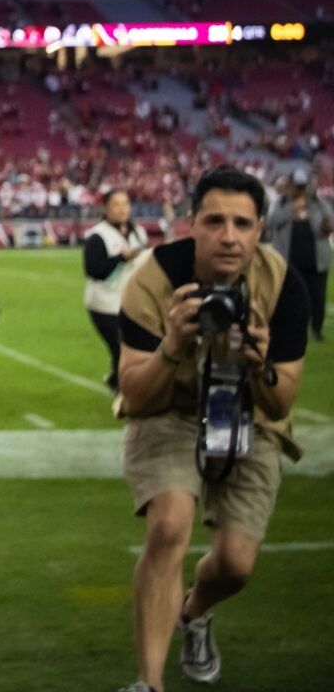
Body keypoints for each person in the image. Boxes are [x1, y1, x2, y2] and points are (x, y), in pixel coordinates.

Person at [115, 168, 311, 692]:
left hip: (249, 410)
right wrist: (172, 346)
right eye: (215, 221)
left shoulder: (283, 286)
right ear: (192, 224)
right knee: (171, 522)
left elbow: (283, 399)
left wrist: (260, 363)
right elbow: (134, 394)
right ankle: (148, 683)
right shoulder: (153, 281)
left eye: (242, 223)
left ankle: (195, 612)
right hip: (170, 409)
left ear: (259, 229)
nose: (229, 235)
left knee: (235, 566)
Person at [85, 188, 151, 391]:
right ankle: (124, 391)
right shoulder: (97, 236)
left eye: (126, 204)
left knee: (133, 348)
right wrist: (120, 258)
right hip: (105, 304)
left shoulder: (138, 232)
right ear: (106, 208)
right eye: (116, 204)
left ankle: (117, 380)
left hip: (131, 302)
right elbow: (94, 271)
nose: (122, 209)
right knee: (121, 348)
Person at [264, 167, 329, 343]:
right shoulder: (282, 203)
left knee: (318, 297)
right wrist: (292, 208)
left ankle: (317, 329)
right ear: (291, 185)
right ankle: (291, 328)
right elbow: (271, 222)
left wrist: (324, 221)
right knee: (289, 296)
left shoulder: (316, 202)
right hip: (289, 259)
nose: (300, 189)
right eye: (297, 186)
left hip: (316, 260)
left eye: (303, 185)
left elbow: (330, 220)